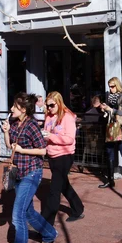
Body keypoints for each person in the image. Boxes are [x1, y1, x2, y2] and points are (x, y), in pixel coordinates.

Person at [2, 92, 57, 243]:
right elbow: (11, 146)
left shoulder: (32, 125)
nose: (11, 109)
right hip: (18, 172)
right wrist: (6, 133)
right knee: (28, 211)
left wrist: (23, 150)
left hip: (32, 173)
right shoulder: (15, 123)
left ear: (23, 109)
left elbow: (43, 151)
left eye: (14, 107)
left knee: (17, 217)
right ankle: (49, 234)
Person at [41, 92, 84, 225]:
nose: (49, 108)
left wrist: (51, 137)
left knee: (54, 190)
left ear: (59, 103)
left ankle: (45, 223)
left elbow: (70, 139)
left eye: (52, 105)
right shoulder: (48, 116)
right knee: (63, 185)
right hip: (52, 154)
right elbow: (46, 132)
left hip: (64, 155)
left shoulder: (68, 117)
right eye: (47, 106)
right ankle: (78, 208)